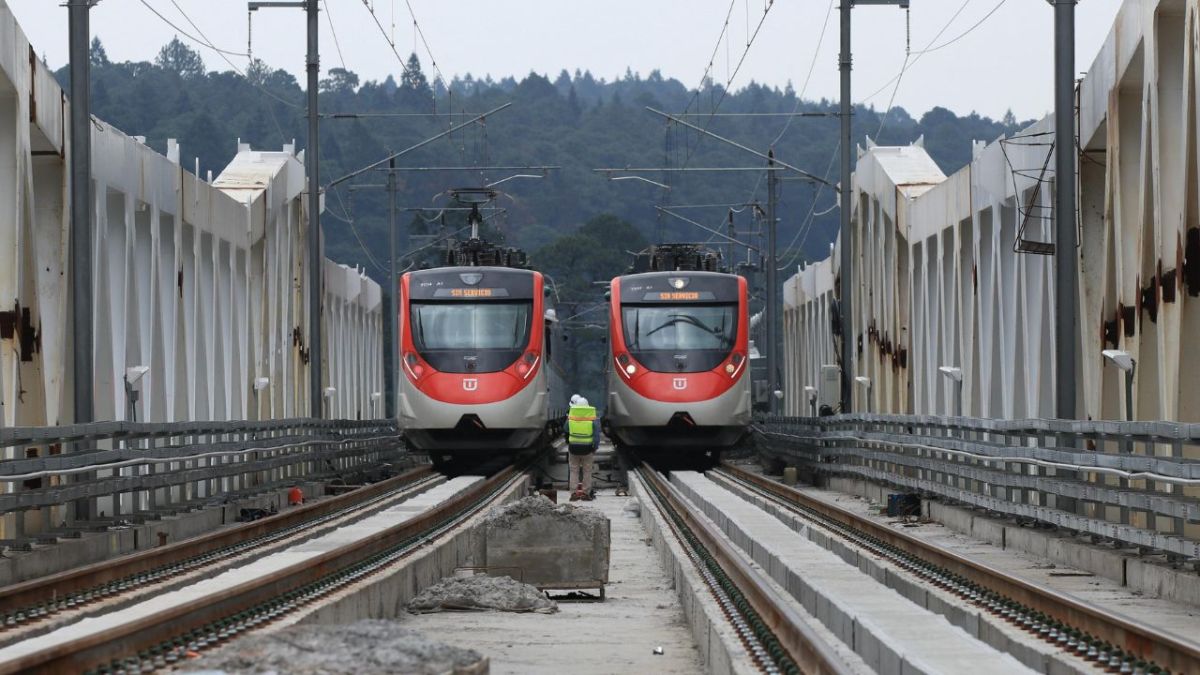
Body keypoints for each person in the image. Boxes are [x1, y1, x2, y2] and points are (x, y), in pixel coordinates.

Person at [566, 395, 599, 501]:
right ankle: (585, 493)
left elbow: (565, 429)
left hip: (573, 448)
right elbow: (596, 435)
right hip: (587, 449)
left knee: (574, 470)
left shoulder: (570, 418)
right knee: (587, 471)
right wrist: (595, 447)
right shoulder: (592, 418)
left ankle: (574, 493)